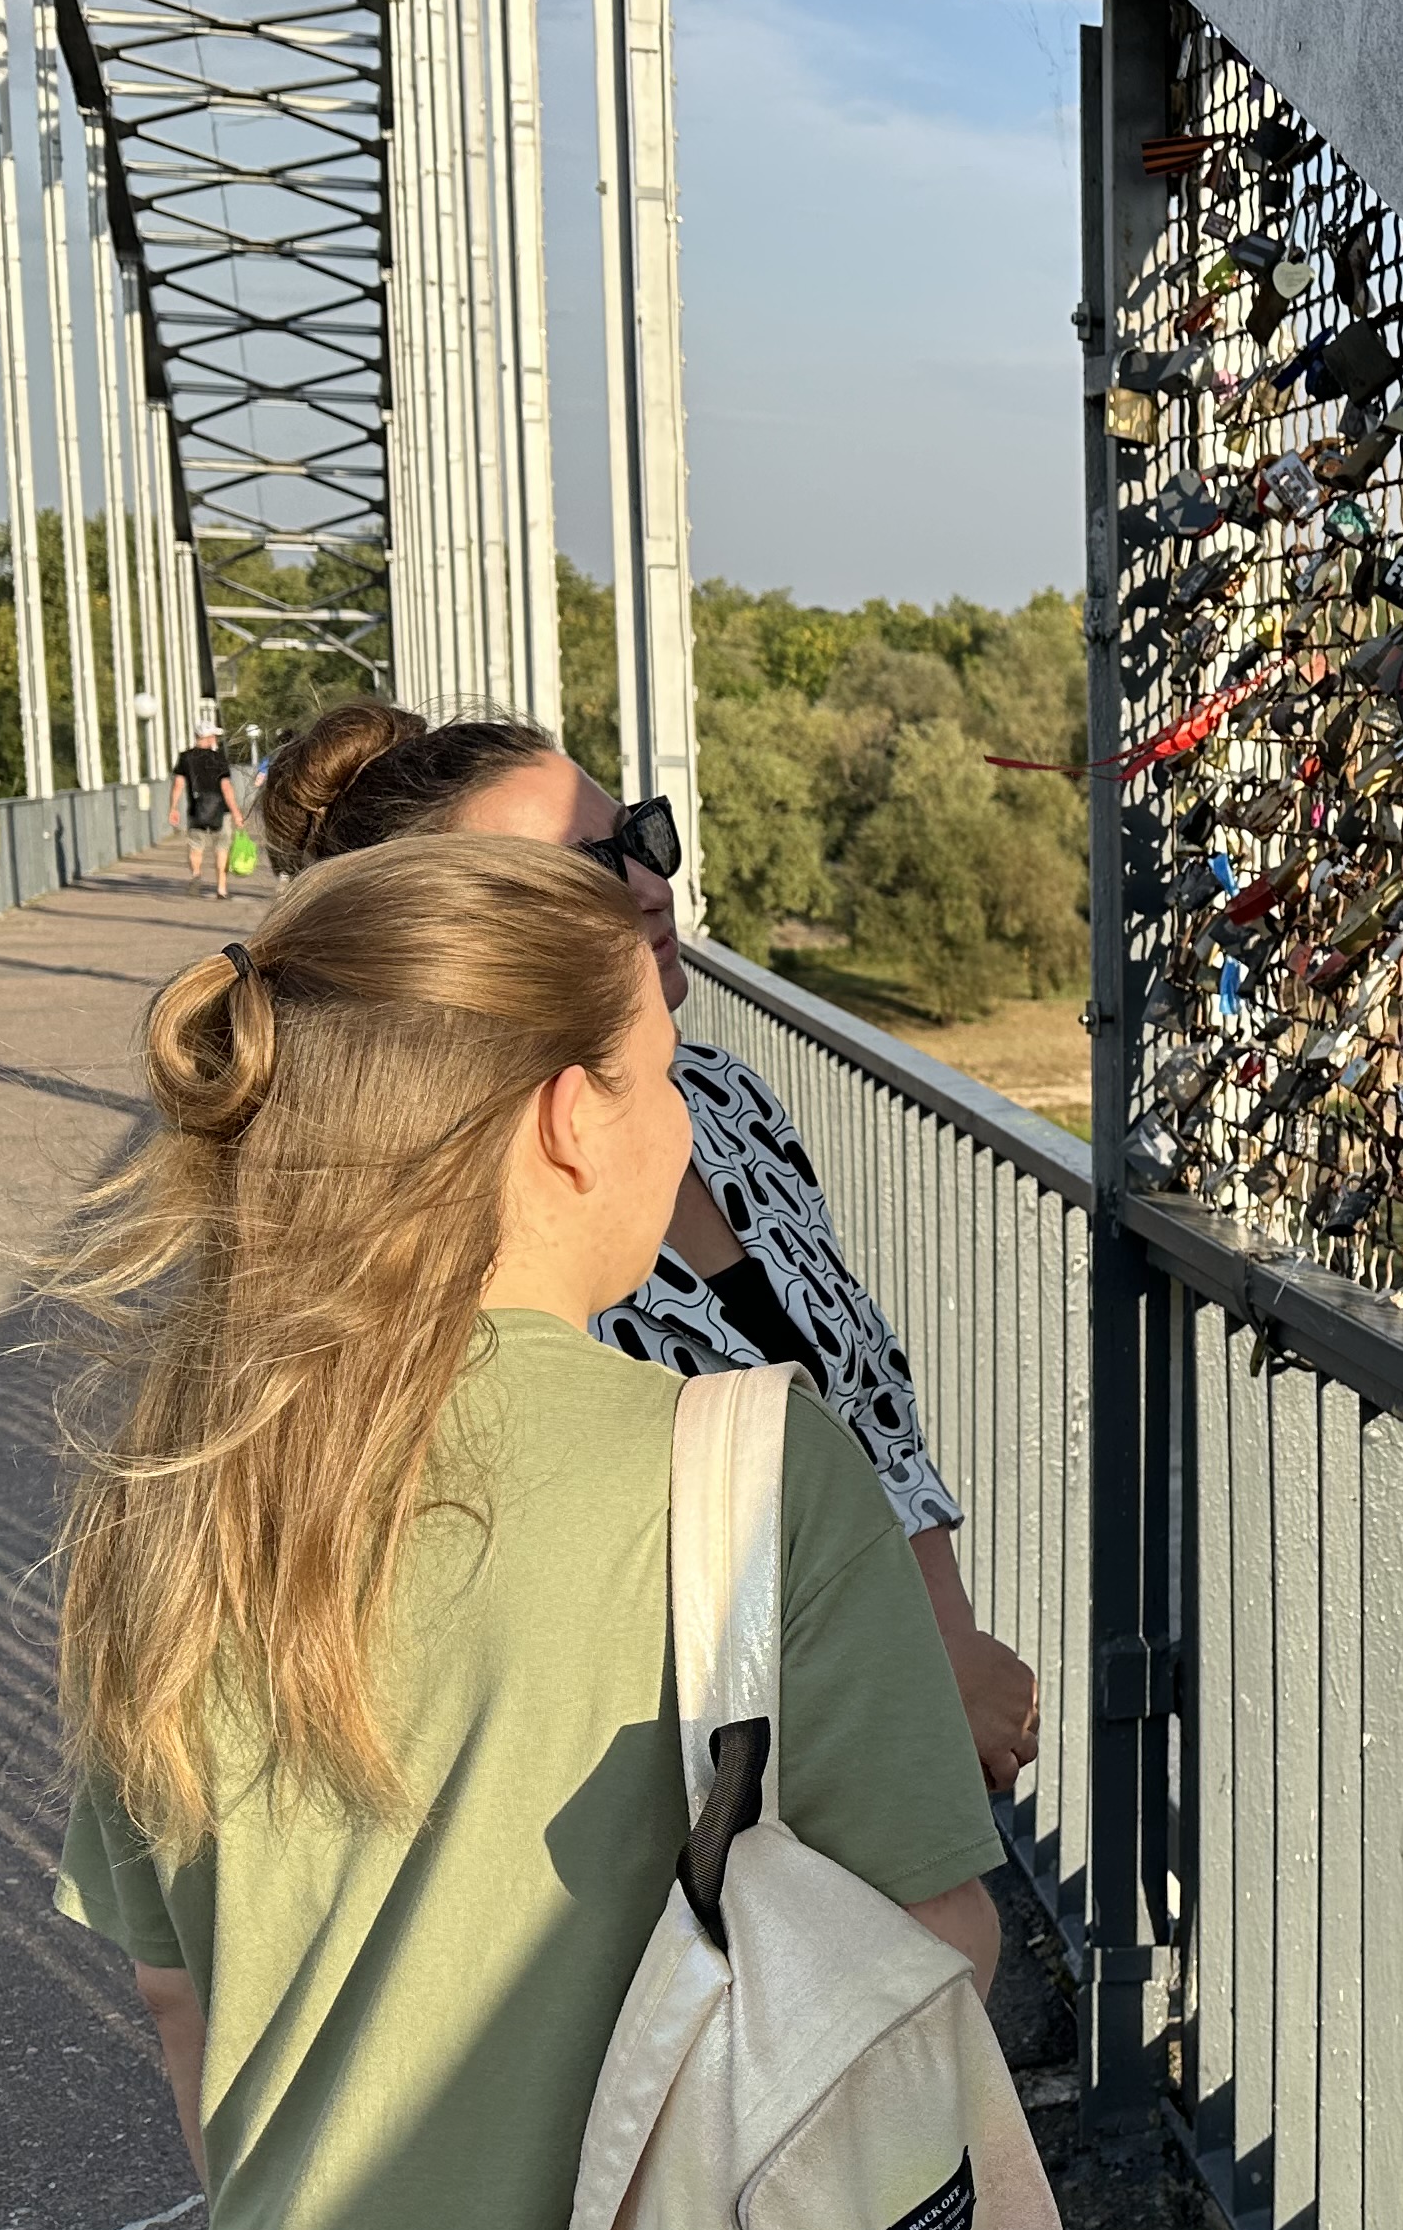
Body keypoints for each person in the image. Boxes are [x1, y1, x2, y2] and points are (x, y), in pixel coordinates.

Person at [43, 835, 1003, 2230]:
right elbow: (929, 1950)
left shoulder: (167, 1492)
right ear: (569, 1118)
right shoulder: (747, 1473)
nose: (685, 1123)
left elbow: (181, 1997)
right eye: (663, 1071)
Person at [254, 701, 1043, 1790]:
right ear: (455, 937)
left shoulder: (717, 1100)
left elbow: (869, 1402)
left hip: (881, 1714)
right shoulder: (433, 1224)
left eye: (640, 835)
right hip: (697, 1794)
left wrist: (942, 1646)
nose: (648, 884)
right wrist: (896, 1694)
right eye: (587, 868)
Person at [171, 725, 248, 898]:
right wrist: (236, 813)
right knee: (222, 847)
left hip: (196, 810)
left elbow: (178, 784)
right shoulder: (218, 758)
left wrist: (173, 808)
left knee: (196, 846)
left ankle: (196, 874)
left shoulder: (186, 757)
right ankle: (221, 888)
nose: (215, 739)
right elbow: (226, 787)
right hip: (221, 811)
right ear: (208, 737)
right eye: (213, 736)